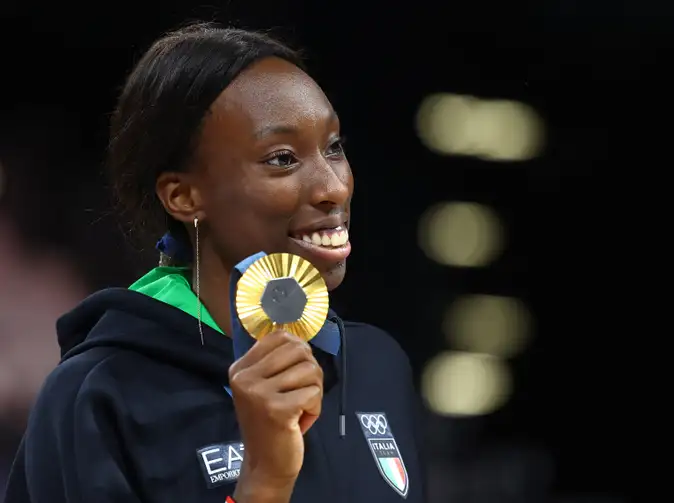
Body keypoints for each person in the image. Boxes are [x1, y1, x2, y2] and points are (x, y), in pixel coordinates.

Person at [4, 22, 425, 503]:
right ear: (183, 196)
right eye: (283, 158)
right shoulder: (99, 396)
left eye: (334, 147)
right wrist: (263, 482)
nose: (334, 186)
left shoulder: (376, 366)